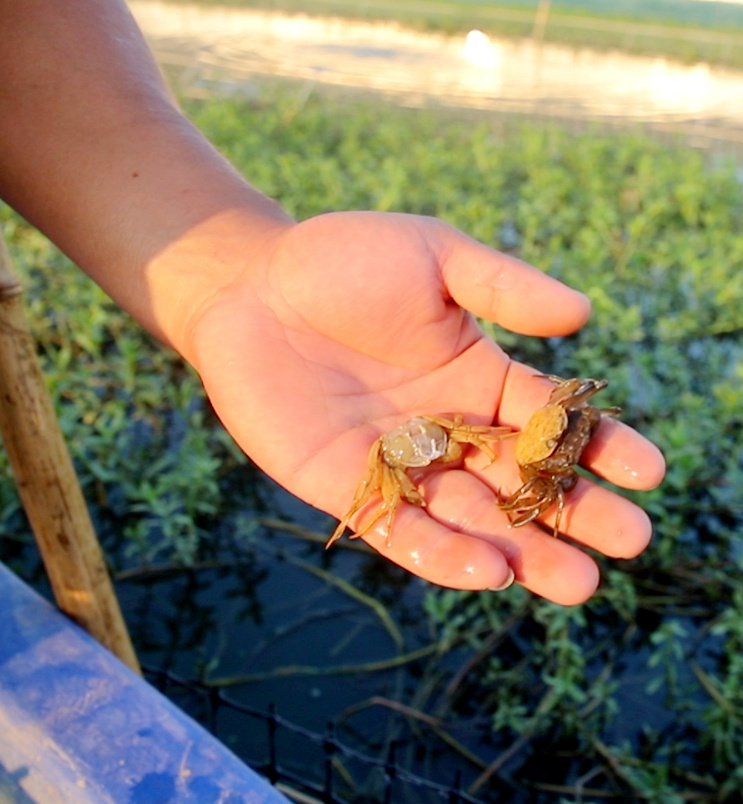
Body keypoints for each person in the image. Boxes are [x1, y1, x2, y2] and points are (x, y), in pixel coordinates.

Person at [0, 0, 666, 606]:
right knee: (389, 489)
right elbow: (397, 473)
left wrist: (240, 272)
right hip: (405, 449)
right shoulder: (388, 462)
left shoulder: (455, 426)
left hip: (440, 429)